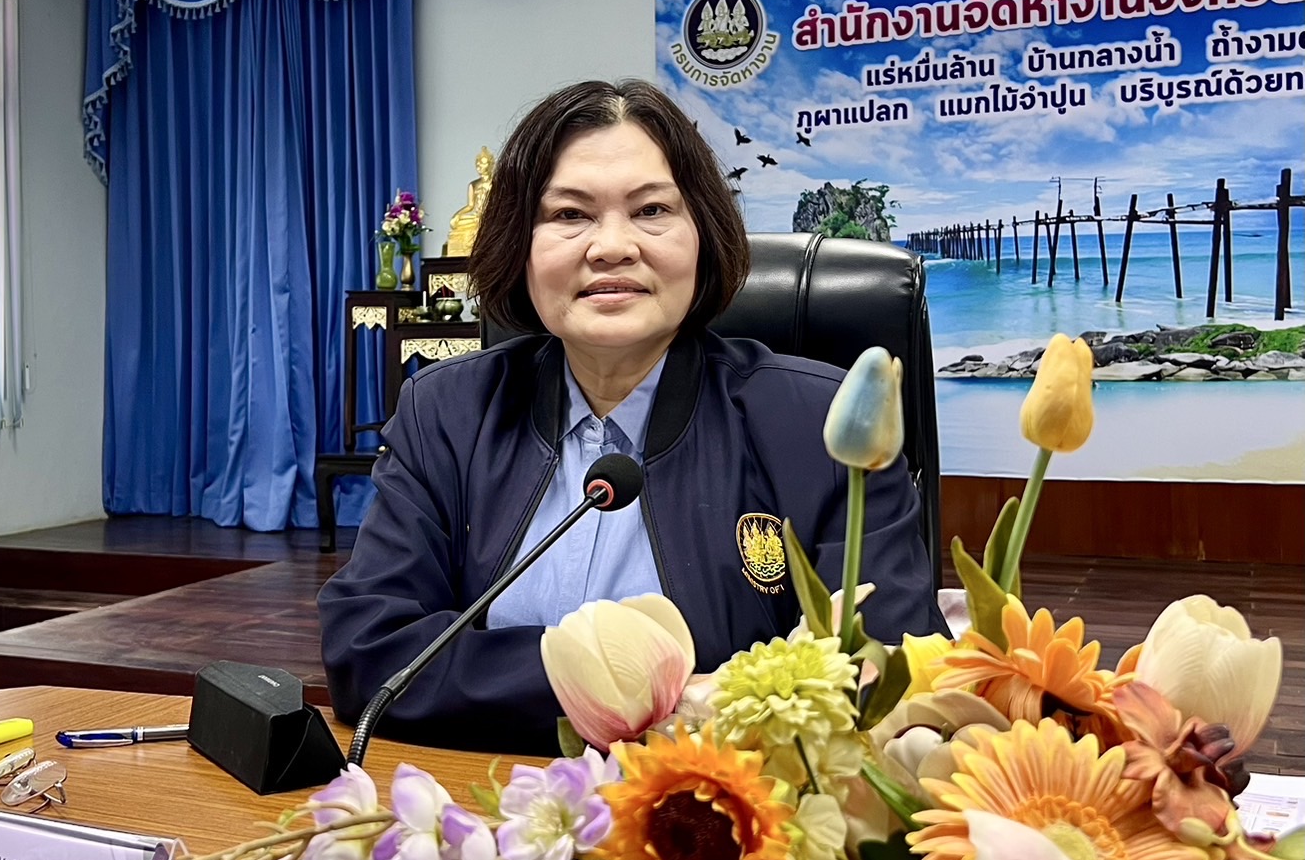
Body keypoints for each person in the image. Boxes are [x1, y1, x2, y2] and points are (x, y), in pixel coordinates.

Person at [318, 80, 943, 754]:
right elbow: (371, 652)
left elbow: (892, 669)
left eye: (651, 210)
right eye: (570, 214)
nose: (611, 246)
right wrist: (649, 699)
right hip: (490, 796)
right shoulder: (447, 412)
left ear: (702, 236)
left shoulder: (817, 424)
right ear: (519, 246)